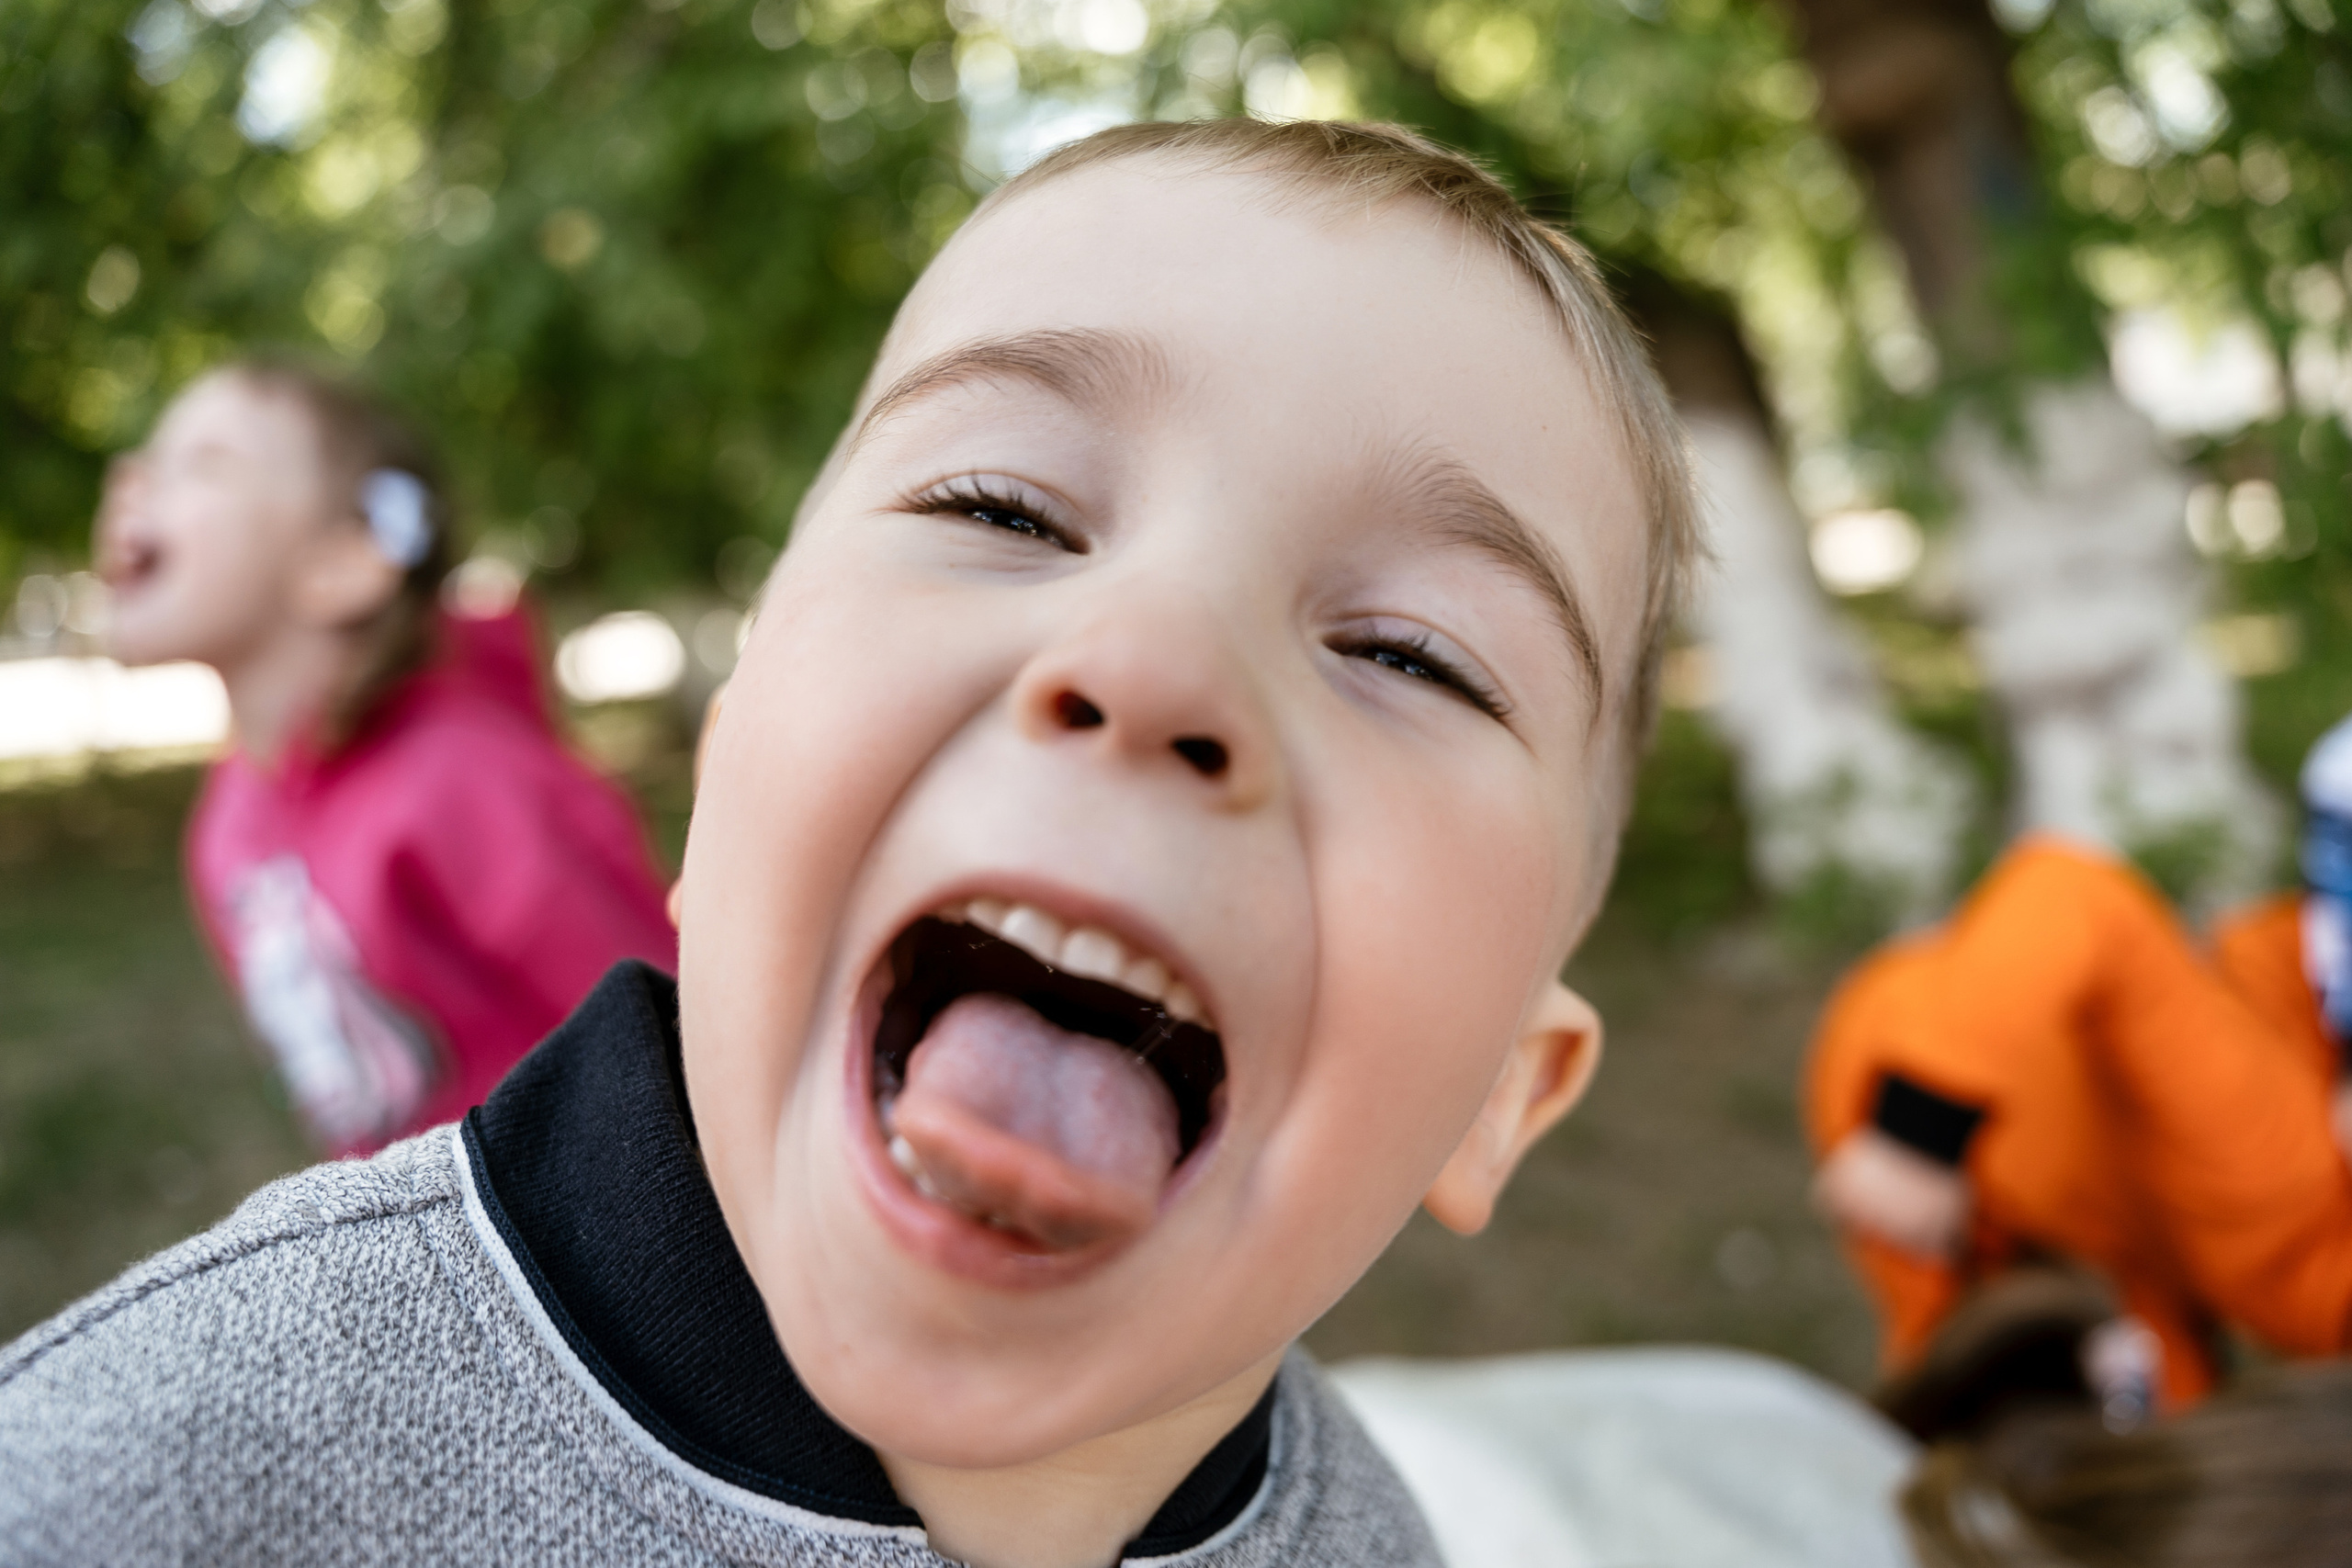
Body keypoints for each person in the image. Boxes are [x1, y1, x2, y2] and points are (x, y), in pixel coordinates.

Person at [0, 119, 1698, 1565]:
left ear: (1500, 1091)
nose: (1159, 664)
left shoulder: (1377, 1541)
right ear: (722, 790)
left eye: (1411, 656)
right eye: (1006, 510)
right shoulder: (171, 1466)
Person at [88, 358, 677, 1156]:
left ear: (342, 565)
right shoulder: (229, 818)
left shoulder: (471, 786)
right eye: (146, 459)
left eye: (204, 463)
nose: (132, 480)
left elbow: (669, 1040)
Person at [1807, 834, 2352, 1411]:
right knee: (1946, 1384)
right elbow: (2071, 894)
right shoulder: (2275, 1168)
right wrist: (1920, 1132)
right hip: (1918, 1082)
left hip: (2112, 1232)